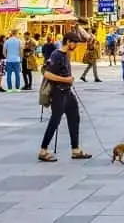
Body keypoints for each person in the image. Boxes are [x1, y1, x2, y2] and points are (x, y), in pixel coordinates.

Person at [38, 32, 92, 162]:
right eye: (74, 43)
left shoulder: (65, 55)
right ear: (68, 41)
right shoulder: (56, 55)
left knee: (74, 118)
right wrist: (65, 79)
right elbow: (46, 73)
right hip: (58, 92)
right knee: (55, 120)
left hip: (67, 92)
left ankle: (75, 150)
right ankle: (43, 150)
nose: (75, 45)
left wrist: (68, 81)